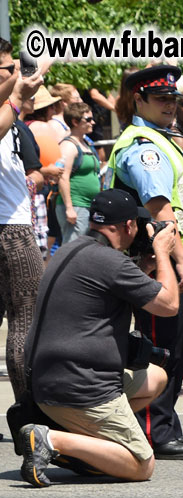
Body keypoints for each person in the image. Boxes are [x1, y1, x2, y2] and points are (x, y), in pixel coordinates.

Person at [17, 190, 181, 486]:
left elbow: (111, 289)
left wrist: (144, 268)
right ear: (129, 226)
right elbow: (168, 305)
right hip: (83, 389)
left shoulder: (72, 248)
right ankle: (49, 439)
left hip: (48, 382)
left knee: (155, 377)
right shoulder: (109, 262)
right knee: (141, 465)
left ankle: (90, 448)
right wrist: (161, 251)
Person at [106, 65, 183, 461]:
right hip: (163, 260)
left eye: (174, 98)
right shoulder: (145, 145)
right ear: (138, 100)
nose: (171, 105)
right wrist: (180, 260)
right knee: (161, 347)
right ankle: (155, 429)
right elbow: (159, 208)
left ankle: (164, 423)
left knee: (174, 344)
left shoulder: (160, 137)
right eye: (161, 99)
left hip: (181, 257)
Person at [0, 41, 51, 402]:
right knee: (25, 322)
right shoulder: (8, 108)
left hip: (12, 226)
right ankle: (30, 421)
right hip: (10, 231)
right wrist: (18, 94)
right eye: (10, 68)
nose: (19, 73)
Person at [53, 102, 100, 245]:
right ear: (75, 121)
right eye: (88, 119)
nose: (93, 122)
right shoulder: (68, 145)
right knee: (73, 248)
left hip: (87, 206)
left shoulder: (85, 143)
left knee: (85, 248)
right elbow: (63, 177)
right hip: (76, 205)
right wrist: (69, 208)